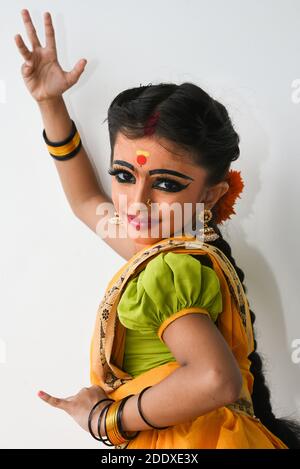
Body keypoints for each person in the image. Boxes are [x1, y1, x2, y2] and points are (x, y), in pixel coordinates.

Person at [15, 9, 300, 449]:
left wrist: (105, 419)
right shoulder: (163, 248)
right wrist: (50, 103)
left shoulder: (166, 269)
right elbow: (87, 202)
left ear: (211, 195)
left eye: (166, 184)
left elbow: (214, 380)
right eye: (125, 175)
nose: (137, 201)